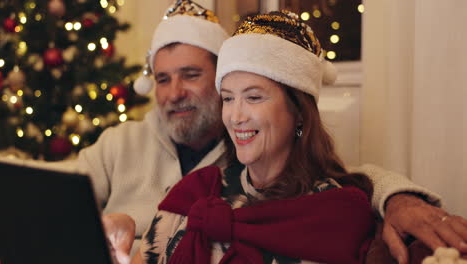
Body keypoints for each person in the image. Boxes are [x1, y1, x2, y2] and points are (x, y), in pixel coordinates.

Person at [74, 1, 467, 263]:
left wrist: (397, 197)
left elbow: (346, 182)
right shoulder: (136, 151)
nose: (175, 92)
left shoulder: (324, 198)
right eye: (162, 79)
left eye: (191, 75)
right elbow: (53, 194)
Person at [133, 10, 376, 263]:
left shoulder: (332, 213)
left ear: (300, 113)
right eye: (228, 98)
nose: (236, 116)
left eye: (254, 97)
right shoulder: (198, 191)